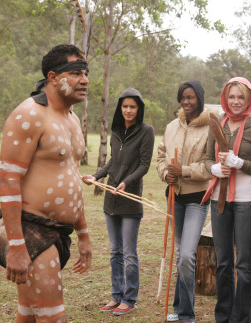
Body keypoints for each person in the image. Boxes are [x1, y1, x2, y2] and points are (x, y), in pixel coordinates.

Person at [0, 44, 92, 322]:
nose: (84, 80)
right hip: (31, 231)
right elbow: (8, 180)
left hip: (59, 231)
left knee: (29, 313)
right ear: (52, 77)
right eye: (75, 73)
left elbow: (71, 179)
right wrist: (16, 246)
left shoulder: (72, 120)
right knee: (52, 315)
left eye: (85, 73)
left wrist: (83, 233)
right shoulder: (30, 115)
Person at [203, 77, 251, 323]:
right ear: (225, 98)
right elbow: (206, 159)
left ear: (250, 99)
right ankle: (223, 316)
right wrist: (214, 170)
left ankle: (241, 318)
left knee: (243, 263)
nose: (236, 102)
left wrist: (239, 163)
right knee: (223, 262)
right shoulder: (216, 123)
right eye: (231, 97)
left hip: (246, 201)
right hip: (219, 201)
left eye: (241, 97)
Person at [82, 88, 154, 316]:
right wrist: (96, 176)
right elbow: (113, 162)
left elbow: (144, 165)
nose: (129, 110)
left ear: (139, 109)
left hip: (130, 200)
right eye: (125, 106)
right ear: (120, 108)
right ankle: (116, 296)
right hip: (110, 201)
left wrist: (125, 182)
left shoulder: (147, 131)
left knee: (129, 253)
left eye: (133, 107)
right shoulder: (115, 131)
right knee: (115, 252)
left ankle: (129, 299)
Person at [156, 81, 214, 323]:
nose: (186, 102)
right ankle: (179, 307)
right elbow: (161, 157)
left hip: (197, 199)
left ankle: (187, 315)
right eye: (182, 97)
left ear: (199, 98)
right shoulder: (171, 127)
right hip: (174, 197)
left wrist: (185, 170)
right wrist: (165, 173)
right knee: (180, 255)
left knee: (188, 255)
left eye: (190, 97)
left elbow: (211, 167)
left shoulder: (211, 126)